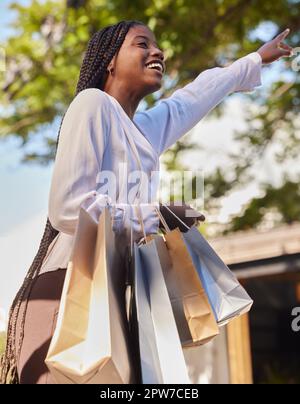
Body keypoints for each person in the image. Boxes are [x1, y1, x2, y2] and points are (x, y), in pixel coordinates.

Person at [0, 20, 292, 384]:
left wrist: (254, 61)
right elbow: (67, 206)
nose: (158, 52)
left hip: (117, 294)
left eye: (157, 46)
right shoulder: (92, 105)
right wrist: (155, 216)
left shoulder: (144, 131)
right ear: (109, 61)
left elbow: (194, 97)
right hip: (68, 294)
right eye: (142, 44)